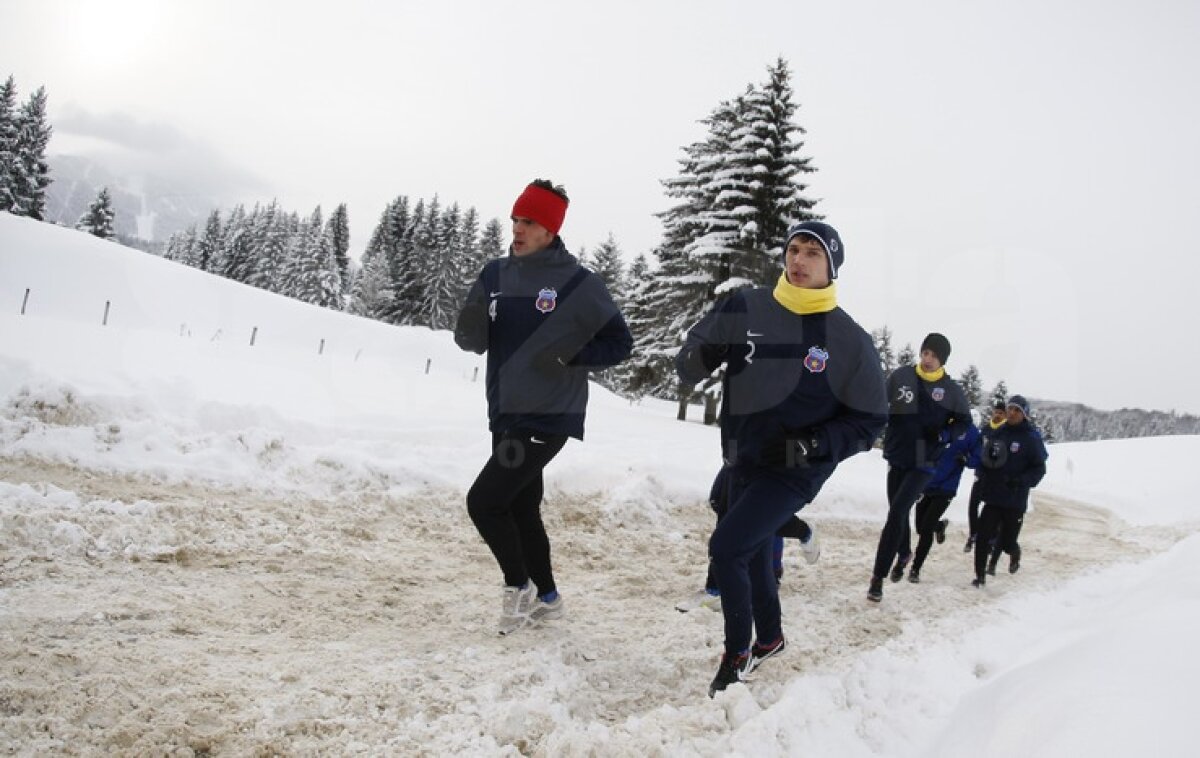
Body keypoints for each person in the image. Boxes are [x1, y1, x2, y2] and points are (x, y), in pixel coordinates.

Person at [675, 220, 886, 696]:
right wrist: (700, 357)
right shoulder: (746, 305)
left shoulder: (849, 340)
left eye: (813, 252)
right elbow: (694, 351)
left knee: (728, 548)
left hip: (796, 469)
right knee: (749, 552)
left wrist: (812, 444)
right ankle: (770, 638)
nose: (799, 259)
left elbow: (870, 420)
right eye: (794, 248)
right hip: (741, 455)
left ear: (831, 266)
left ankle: (738, 655)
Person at [454, 179, 633, 635]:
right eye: (515, 219)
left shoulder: (578, 283)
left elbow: (620, 342)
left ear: (549, 230)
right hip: (505, 409)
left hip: (549, 414)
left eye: (528, 221)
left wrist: (571, 355)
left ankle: (520, 587)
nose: (517, 228)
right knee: (520, 507)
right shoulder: (494, 275)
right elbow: (473, 340)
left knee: (485, 502)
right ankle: (548, 598)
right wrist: (469, 324)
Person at [868, 333, 973, 602]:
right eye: (925, 353)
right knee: (897, 512)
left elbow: (963, 423)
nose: (927, 359)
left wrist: (945, 436)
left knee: (896, 514)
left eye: (933, 356)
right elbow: (879, 401)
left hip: (926, 461)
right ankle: (904, 553)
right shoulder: (901, 376)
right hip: (898, 453)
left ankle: (877, 578)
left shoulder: (951, 391)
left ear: (942, 360)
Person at [675, 465, 821, 613]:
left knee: (745, 505)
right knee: (720, 499)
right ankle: (797, 538)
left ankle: (718, 589)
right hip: (740, 448)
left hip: (772, 454)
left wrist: (793, 462)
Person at [971, 394, 1048, 587]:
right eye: (1010, 409)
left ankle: (1014, 552)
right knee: (983, 536)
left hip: (1015, 499)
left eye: (1017, 410)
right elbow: (987, 457)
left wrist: (1021, 481)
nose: (1012, 413)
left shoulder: (1031, 438)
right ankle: (979, 576)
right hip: (993, 496)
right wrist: (982, 475)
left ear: (1024, 414)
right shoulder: (999, 433)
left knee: (1006, 543)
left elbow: (1039, 468)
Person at [906, 421, 981, 583]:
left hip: (947, 486)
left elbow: (977, 458)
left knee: (926, 529)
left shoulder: (971, 431)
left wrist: (966, 459)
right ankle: (939, 526)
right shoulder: (940, 421)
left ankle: (915, 569)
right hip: (926, 481)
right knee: (920, 526)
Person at [963, 401, 1007, 553]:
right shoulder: (986, 430)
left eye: (1001, 413)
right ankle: (974, 533)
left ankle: (992, 538)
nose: (997, 415)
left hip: (996, 477)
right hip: (981, 473)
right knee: (973, 505)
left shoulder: (1006, 431)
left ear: (1005, 415)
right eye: (996, 412)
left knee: (991, 509)